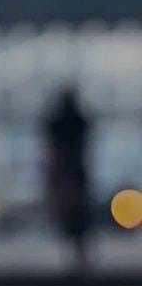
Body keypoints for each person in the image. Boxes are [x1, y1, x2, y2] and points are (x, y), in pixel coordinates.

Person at [41, 86, 93, 270]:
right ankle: (79, 254)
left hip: (65, 172)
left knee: (69, 213)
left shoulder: (58, 124)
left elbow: (54, 150)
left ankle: (75, 253)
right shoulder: (79, 122)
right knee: (76, 214)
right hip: (75, 171)